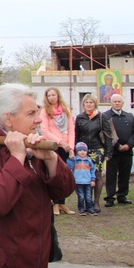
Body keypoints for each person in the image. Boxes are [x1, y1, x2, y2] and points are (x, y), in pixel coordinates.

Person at [0, 83, 75, 268]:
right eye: (31, 114)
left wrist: (51, 160)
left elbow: (64, 190)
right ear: (8, 119)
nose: (38, 120)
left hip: (31, 259)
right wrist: (17, 157)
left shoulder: (34, 148)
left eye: (37, 112)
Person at [40, 87, 76, 215]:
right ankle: (55, 203)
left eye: (53, 95)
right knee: (54, 174)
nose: (51, 98)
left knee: (64, 175)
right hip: (53, 146)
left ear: (58, 96)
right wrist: (61, 142)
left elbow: (71, 129)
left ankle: (62, 203)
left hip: (66, 147)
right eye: (49, 95)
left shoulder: (66, 111)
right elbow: (45, 131)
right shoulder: (45, 112)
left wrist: (70, 147)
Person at [102, 94, 134, 207]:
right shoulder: (105, 116)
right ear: (111, 103)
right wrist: (117, 145)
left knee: (125, 174)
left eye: (119, 101)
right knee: (111, 175)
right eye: (115, 101)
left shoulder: (129, 116)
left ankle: (122, 195)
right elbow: (105, 133)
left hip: (127, 151)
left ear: (122, 103)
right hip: (113, 151)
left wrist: (129, 145)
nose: (117, 103)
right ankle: (110, 197)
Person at [74, 94, 106, 212]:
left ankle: (96, 202)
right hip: (83, 150)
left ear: (95, 104)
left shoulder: (101, 117)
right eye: (86, 102)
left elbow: (106, 134)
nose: (89, 104)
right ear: (83, 105)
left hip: (97, 149)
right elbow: (76, 134)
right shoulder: (80, 118)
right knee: (84, 175)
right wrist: (74, 149)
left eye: (91, 102)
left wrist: (108, 152)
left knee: (97, 175)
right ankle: (87, 202)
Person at [66, 142, 97, 215]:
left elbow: (93, 170)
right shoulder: (75, 160)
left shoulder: (89, 160)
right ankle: (81, 209)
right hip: (78, 182)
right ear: (76, 151)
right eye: (80, 150)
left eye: (84, 150)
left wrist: (93, 179)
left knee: (88, 196)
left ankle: (90, 208)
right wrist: (70, 159)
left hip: (88, 181)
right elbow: (69, 166)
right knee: (81, 196)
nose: (82, 152)